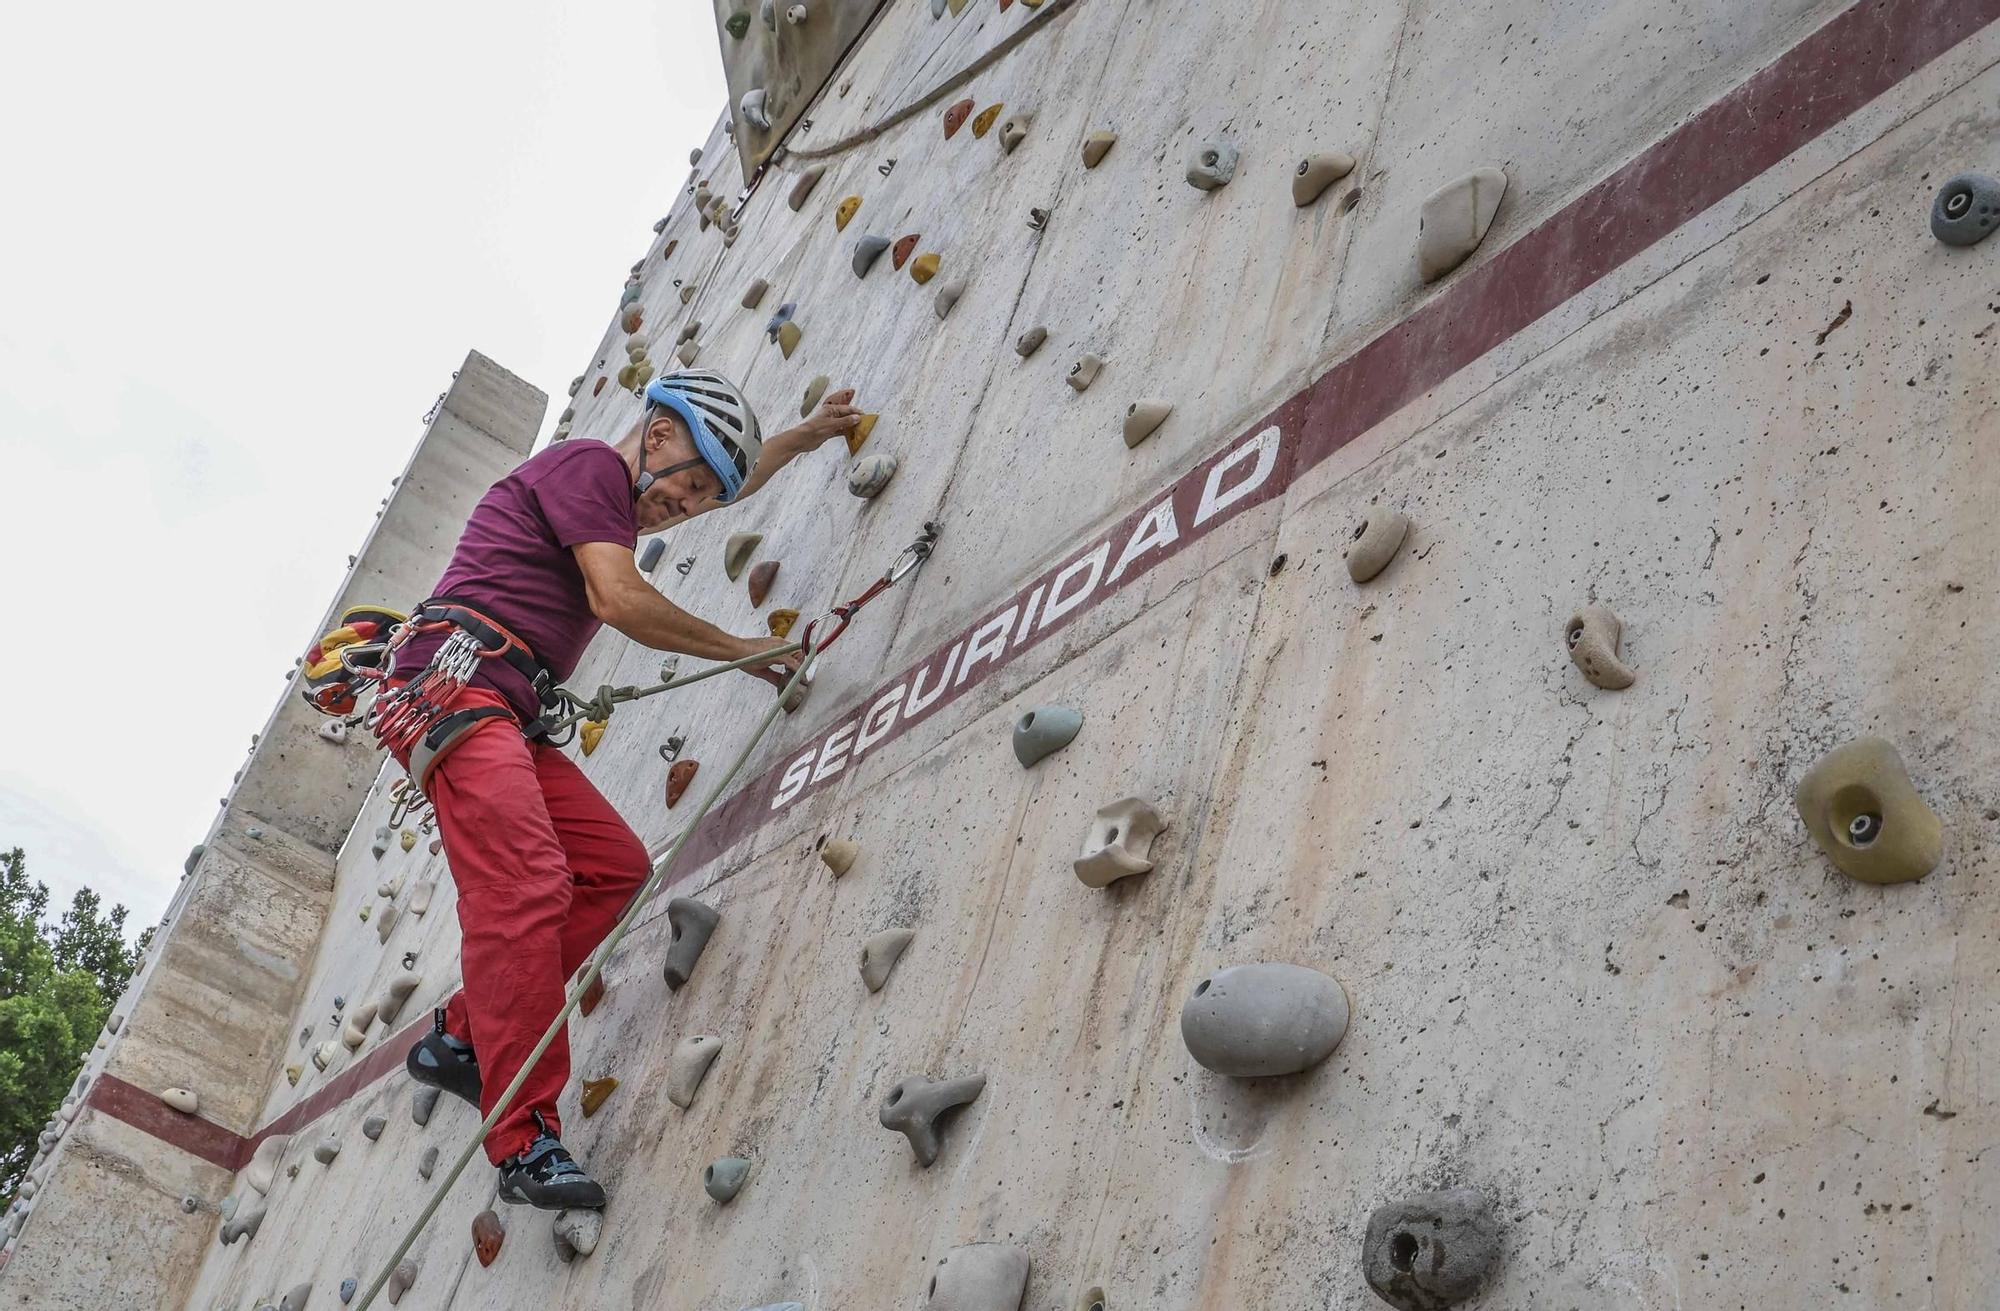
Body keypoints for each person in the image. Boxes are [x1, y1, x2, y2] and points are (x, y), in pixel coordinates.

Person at [395, 370, 859, 1210]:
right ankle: (525, 1140)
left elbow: (732, 481)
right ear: (653, 435)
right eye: (681, 488)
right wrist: (742, 648)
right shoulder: (589, 470)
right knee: (528, 886)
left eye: (695, 503)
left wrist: (809, 435)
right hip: (452, 687)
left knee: (612, 870)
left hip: (507, 706)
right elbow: (616, 595)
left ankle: (462, 1035)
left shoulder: (633, 493)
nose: (681, 507)